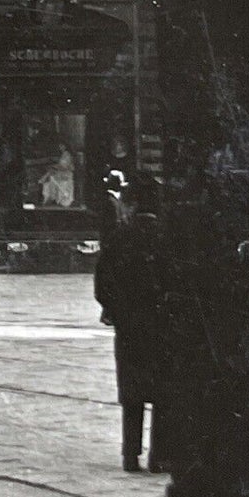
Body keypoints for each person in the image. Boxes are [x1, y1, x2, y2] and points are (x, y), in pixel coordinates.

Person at [95, 171, 166, 473]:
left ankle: (129, 454)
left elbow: (103, 280)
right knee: (164, 393)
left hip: (129, 326)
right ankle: (159, 455)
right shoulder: (168, 237)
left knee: (132, 393)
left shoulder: (119, 237)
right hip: (164, 324)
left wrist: (111, 308)